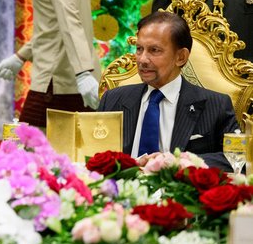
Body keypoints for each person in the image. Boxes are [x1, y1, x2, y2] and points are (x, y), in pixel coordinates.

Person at [98, 12, 238, 171]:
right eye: (139, 49)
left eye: (154, 50)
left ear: (181, 57)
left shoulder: (215, 105)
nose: (142, 59)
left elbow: (234, 158)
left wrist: (177, 162)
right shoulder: (113, 99)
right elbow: (91, 153)